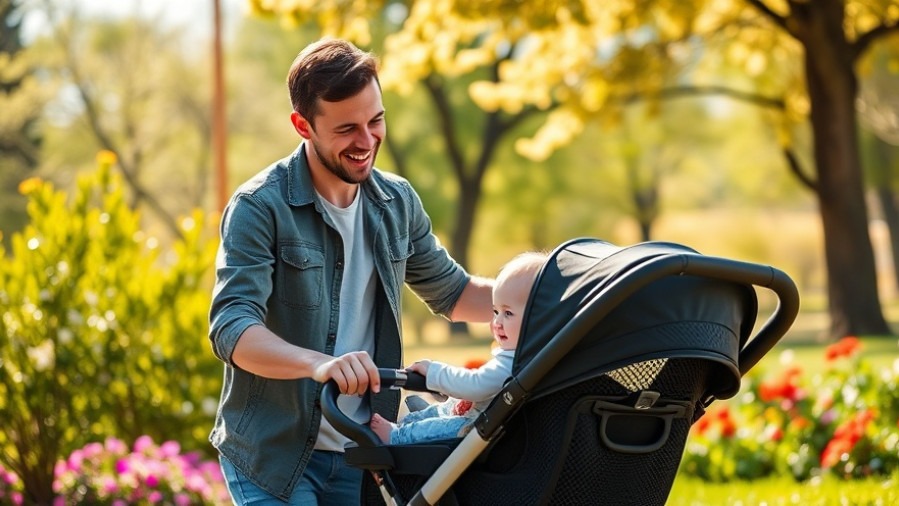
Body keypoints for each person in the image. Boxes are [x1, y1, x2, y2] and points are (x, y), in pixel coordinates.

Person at [207, 38, 494, 505]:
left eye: (376, 120)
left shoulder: (397, 203)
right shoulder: (260, 207)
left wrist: (547, 293)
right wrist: (320, 364)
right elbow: (232, 329)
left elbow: (457, 293)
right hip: (275, 456)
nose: (366, 141)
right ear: (303, 125)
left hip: (362, 451)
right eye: (346, 129)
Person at [370, 252, 546, 445]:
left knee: (446, 427)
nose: (497, 321)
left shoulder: (515, 362)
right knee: (447, 409)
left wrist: (433, 373)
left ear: (539, 319)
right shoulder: (530, 356)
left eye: (508, 313)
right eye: (495, 311)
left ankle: (397, 436)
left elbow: (476, 384)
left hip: (476, 427)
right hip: (476, 411)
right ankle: (411, 421)